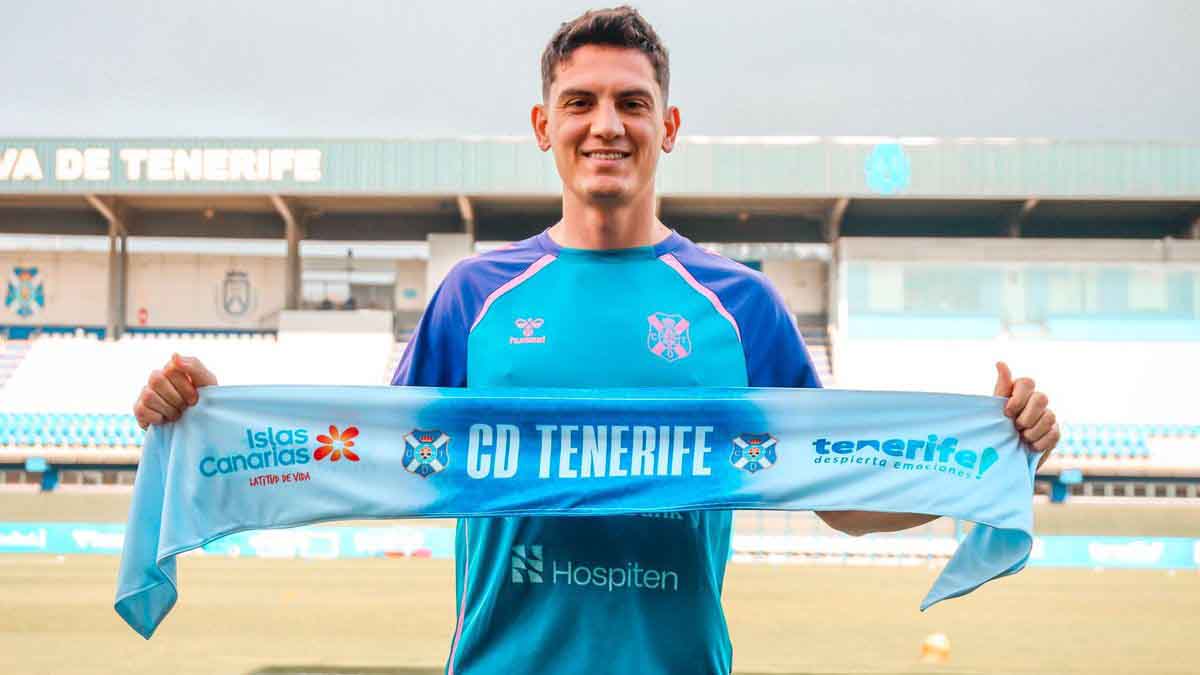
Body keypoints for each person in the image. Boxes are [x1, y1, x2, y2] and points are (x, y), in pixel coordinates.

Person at [133, 7, 1060, 674]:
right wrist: (212, 417)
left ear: (669, 126)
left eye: (632, 101)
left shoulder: (741, 307)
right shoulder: (475, 299)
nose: (606, 124)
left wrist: (982, 455)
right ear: (545, 126)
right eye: (580, 102)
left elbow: (841, 492)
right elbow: (371, 454)